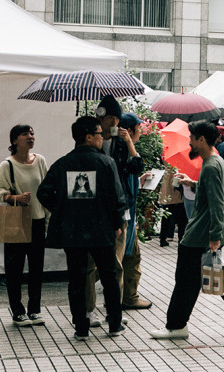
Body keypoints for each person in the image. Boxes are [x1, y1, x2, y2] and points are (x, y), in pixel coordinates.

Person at [150, 121, 224, 339]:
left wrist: (214, 236)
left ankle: (176, 325)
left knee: (186, 278)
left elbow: (218, 203)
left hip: (200, 234)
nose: (189, 142)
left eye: (192, 138)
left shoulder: (210, 165)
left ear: (201, 140)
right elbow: (214, 191)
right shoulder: (215, 161)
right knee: (208, 274)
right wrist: (192, 182)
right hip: (204, 233)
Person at [36, 116, 127, 340]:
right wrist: (117, 224)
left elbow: (43, 192)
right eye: (98, 134)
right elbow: (117, 198)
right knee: (109, 277)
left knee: (76, 279)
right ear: (88, 137)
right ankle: (114, 324)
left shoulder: (62, 163)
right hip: (101, 229)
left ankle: (81, 328)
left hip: (73, 231)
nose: (101, 137)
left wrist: (62, 208)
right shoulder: (106, 163)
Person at [85, 95, 146, 326]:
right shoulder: (89, 139)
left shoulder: (121, 142)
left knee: (116, 263)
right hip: (94, 209)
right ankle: (88, 311)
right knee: (90, 265)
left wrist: (129, 142)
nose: (104, 123)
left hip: (118, 210)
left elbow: (136, 167)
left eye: (109, 119)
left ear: (116, 119)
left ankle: (115, 312)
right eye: (102, 118)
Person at [0, 124, 50, 327]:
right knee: (14, 269)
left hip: (37, 220)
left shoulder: (40, 160)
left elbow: (47, 189)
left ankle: (34, 309)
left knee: (36, 268)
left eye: (32, 133)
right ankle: (17, 311)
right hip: (16, 219)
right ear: (14, 140)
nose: (30, 137)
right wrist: (16, 197)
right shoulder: (7, 165)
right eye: (25, 134)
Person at [118, 112, 153, 310]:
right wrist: (130, 144)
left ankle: (124, 296)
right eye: (138, 127)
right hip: (125, 215)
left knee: (129, 255)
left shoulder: (121, 151)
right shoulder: (124, 151)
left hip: (127, 214)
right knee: (130, 257)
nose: (141, 130)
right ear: (130, 131)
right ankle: (128, 297)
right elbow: (136, 164)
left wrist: (138, 181)